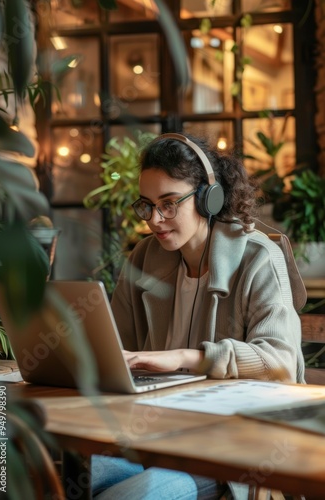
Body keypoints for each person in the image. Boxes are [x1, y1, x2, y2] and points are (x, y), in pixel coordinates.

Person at [92, 133, 306, 499]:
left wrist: (181, 359)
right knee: (82, 476)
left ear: (209, 198)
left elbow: (280, 361)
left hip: (228, 448)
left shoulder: (257, 258)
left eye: (170, 203)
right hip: (150, 432)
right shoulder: (143, 258)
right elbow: (116, 351)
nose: (155, 220)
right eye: (147, 205)